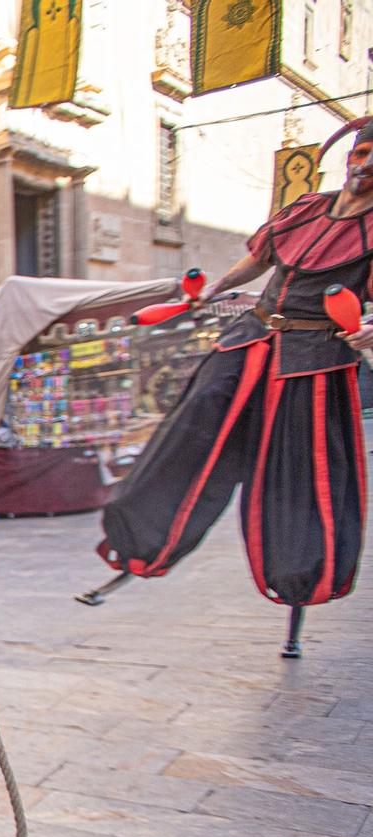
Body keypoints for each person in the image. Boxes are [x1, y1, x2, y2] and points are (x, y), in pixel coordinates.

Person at [98, 119, 373, 617]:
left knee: (297, 468)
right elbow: (259, 260)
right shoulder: (306, 209)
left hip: (312, 358)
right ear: (350, 156)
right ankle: (143, 537)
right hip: (253, 336)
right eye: (362, 154)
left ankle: (298, 578)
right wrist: (214, 290)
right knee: (195, 417)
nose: (366, 166)